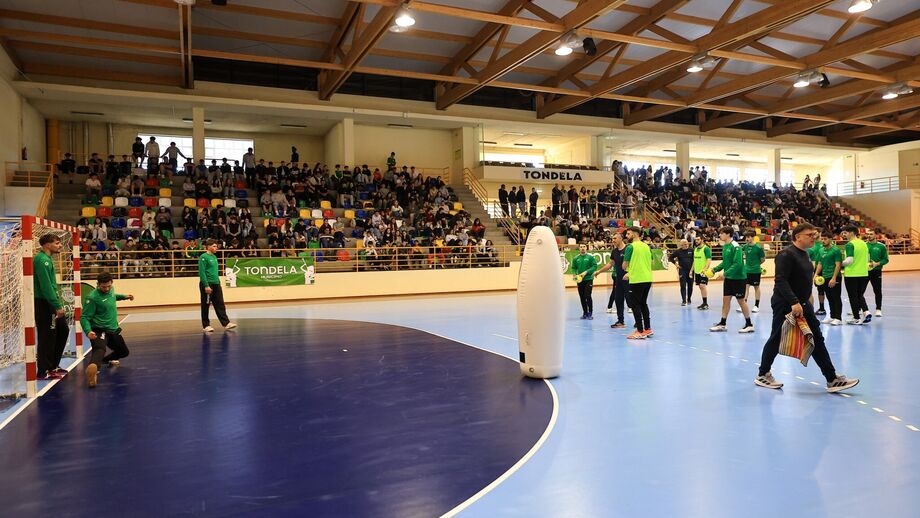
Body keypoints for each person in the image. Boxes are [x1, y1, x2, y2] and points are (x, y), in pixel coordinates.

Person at [754, 222, 859, 393]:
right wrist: (794, 302)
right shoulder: (786, 255)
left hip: (803, 304)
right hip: (786, 304)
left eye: (814, 234)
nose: (814, 237)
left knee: (816, 338)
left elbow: (804, 280)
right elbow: (781, 281)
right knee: (776, 338)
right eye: (810, 235)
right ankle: (762, 374)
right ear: (798, 237)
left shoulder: (806, 254)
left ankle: (831, 379)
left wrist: (807, 302)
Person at [80, 272, 134, 388]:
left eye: (109, 286)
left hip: (113, 329)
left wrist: (124, 297)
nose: (107, 289)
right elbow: (84, 317)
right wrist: (88, 331)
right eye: (104, 287)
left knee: (123, 352)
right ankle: (93, 369)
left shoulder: (111, 290)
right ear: (98, 284)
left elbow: (113, 296)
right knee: (100, 348)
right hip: (99, 330)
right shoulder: (92, 298)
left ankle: (104, 361)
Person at [34, 234, 70, 380]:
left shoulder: (47, 260)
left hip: (49, 302)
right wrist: (56, 305)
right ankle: (43, 370)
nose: (60, 245)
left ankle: (53, 365)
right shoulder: (42, 260)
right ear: (47, 245)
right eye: (57, 243)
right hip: (44, 303)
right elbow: (46, 286)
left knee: (62, 330)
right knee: (46, 336)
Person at [709, 226, 754, 333]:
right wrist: (714, 270)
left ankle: (749, 324)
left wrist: (725, 274)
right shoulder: (725, 246)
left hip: (738, 279)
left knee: (741, 302)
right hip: (729, 279)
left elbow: (738, 264)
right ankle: (723, 323)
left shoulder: (736, 246)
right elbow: (725, 262)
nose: (719, 235)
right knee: (725, 301)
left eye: (721, 233)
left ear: (728, 234)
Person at [198, 239, 237, 333]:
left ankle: (226, 323)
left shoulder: (214, 257)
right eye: (214, 246)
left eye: (216, 246)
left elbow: (214, 271)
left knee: (220, 303)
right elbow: (202, 272)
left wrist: (218, 282)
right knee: (206, 305)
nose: (216, 248)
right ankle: (206, 325)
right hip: (207, 284)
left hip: (216, 283)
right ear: (209, 247)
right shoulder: (203, 257)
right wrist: (206, 285)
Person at [623, 226, 652, 339]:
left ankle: (639, 330)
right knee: (643, 303)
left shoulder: (630, 247)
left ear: (634, 234)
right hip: (647, 278)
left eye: (628, 234)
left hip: (636, 280)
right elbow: (649, 262)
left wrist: (628, 271)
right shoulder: (646, 246)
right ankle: (648, 329)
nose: (626, 236)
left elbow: (624, 265)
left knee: (635, 305)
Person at [597, 232, 629, 328]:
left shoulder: (628, 249)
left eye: (615, 238)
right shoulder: (614, 251)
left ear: (620, 238)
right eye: (612, 238)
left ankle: (638, 321)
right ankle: (620, 321)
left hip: (628, 279)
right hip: (618, 280)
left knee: (632, 301)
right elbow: (610, 264)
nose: (613, 240)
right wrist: (599, 271)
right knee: (618, 300)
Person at [840, 225, 871, 325]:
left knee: (853, 296)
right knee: (859, 295)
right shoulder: (864, 244)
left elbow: (850, 260)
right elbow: (868, 258)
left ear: (852, 233)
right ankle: (866, 312)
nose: (844, 234)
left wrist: (840, 263)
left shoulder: (850, 244)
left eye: (846, 232)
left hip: (852, 274)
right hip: (863, 273)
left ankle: (856, 318)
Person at [815, 234, 842, 325]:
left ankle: (838, 318)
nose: (823, 240)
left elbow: (838, 264)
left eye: (825, 239)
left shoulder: (836, 250)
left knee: (836, 297)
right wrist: (816, 274)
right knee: (829, 297)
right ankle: (832, 316)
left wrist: (834, 278)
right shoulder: (821, 250)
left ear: (830, 239)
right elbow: (820, 263)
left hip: (834, 277)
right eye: (822, 239)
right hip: (825, 277)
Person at [570, 243, 598, 320]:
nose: (582, 248)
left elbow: (595, 266)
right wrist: (574, 274)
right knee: (582, 297)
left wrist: (586, 272)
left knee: (587, 295)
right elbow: (573, 268)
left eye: (584, 247)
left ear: (586, 248)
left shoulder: (590, 257)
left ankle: (590, 312)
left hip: (589, 279)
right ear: (579, 248)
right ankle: (585, 312)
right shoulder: (576, 258)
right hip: (579, 280)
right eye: (581, 247)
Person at [741, 229, 765, 312]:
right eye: (746, 237)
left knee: (756, 287)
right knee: (746, 287)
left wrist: (756, 265)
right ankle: (744, 304)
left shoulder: (758, 247)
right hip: (746, 271)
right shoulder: (745, 246)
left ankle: (756, 305)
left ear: (752, 237)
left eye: (748, 237)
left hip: (755, 271)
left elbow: (762, 259)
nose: (746, 239)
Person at [865, 230, 888, 317]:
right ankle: (860, 308)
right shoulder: (864, 245)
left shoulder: (881, 246)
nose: (869, 236)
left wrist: (876, 264)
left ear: (876, 235)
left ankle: (878, 309)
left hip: (876, 271)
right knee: (860, 291)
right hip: (864, 271)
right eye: (868, 234)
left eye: (871, 234)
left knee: (877, 291)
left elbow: (885, 259)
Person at [671, 239, 694, 306]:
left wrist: (692, 270)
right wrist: (676, 264)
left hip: (691, 270)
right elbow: (671, 257)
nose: (686, 245)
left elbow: (694, 260)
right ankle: (684, 300)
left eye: (687, 244)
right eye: (684, 244)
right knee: (683, 286)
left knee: (690, 286)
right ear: (681, 245)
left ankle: (689, 298)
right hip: (682, 270)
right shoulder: (678, 251)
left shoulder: (691, 250)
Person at [808, 233, 827, 316]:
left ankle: (826, 310)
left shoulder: (825, 245)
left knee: (828, 290)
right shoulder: (811, 244)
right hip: (816, 269)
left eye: (816, 233)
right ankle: (821, 308)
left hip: (825, 269)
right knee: (819, 290)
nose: (814, 235)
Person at [693, 236, 712, 310]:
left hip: (703, 271)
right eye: (695, 240)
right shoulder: (695, 249)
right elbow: (694, 261)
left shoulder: (706, 248)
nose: (696, 241)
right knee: (700, 287)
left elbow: (708, 259)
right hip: (697, 271)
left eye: (698, 239)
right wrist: (692, 270)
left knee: (702, 286)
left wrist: (705, 269)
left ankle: (705, 303)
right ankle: (704, 302)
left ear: (702, 240)